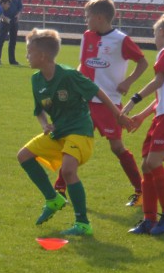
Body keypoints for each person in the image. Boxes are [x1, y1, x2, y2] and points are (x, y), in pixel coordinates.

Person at [17, 28, 125, 236]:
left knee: (68, 170)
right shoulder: (36, 80)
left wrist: (119, 115)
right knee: (24, 156)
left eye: (29, 52)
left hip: (79, 130)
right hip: (58, 132)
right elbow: (39, 110)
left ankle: (83, 223)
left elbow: (97, 92)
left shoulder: (69, 75)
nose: (27, 56)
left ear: (43, 55)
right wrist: (44, 124)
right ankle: (53, 198)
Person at [54, 0, 148, 206]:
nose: (85, 20)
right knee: (73, 144)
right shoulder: (87, 36)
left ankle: (141, 190)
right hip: (84, 101)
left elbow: (143, 62)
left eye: (88, 16)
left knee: (117, 147)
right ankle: (59, 189)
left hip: (109, 103)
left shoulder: (121, 40)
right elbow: (83, 64)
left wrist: (128, 81)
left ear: (99, 17)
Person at [120, 9, 164, 236]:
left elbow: (158, 80)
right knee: (146, 165)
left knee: (153, 163)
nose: (155, 41)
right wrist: (142, 115)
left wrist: (133, 100)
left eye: (155, 35)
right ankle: (149, 219)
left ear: (161, 32)